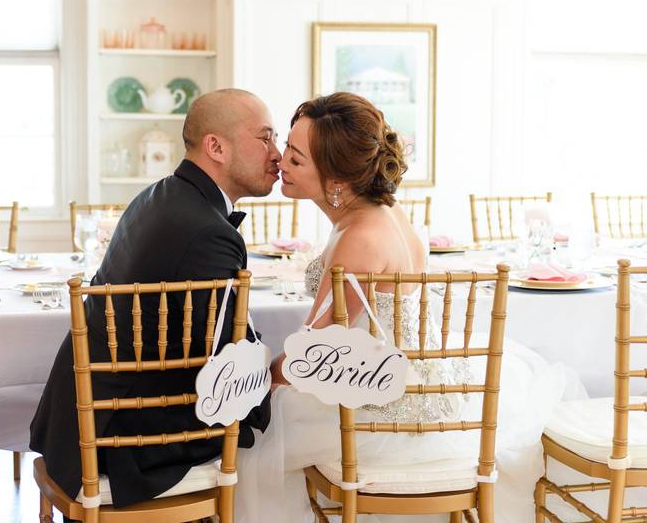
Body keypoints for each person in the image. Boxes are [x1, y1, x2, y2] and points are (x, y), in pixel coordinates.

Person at [235, 92, 570, 522]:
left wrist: (254, 382)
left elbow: (309, 355)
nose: (280, 159)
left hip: (388, 407)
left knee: (252, 440)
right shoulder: (383, 211)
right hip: (418, 380)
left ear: (336, 181)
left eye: (296, 159)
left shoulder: (359, 237)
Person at [30, 88, 281, 508]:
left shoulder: (160, 195)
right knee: (287, 416)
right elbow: (227, 362)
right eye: (266, 138)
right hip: (129, 442)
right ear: (216, 147)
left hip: (82, 421)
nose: (276, 154)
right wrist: (273, 380)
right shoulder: (206, 230)